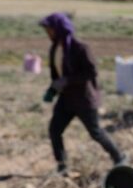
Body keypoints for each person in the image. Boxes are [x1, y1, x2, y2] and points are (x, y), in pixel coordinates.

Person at [40, 13, 124, 175]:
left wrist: (68, 80)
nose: (47, 33)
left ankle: (119, 157)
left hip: (84, 100)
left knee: (96, 133)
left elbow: (91, 72)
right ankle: (62, 166)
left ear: (58, 29)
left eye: (49, 29)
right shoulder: (55, 48)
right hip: (66, 100)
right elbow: (57, 75)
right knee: (54, 130)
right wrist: (52, 89)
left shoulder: (80, 48)